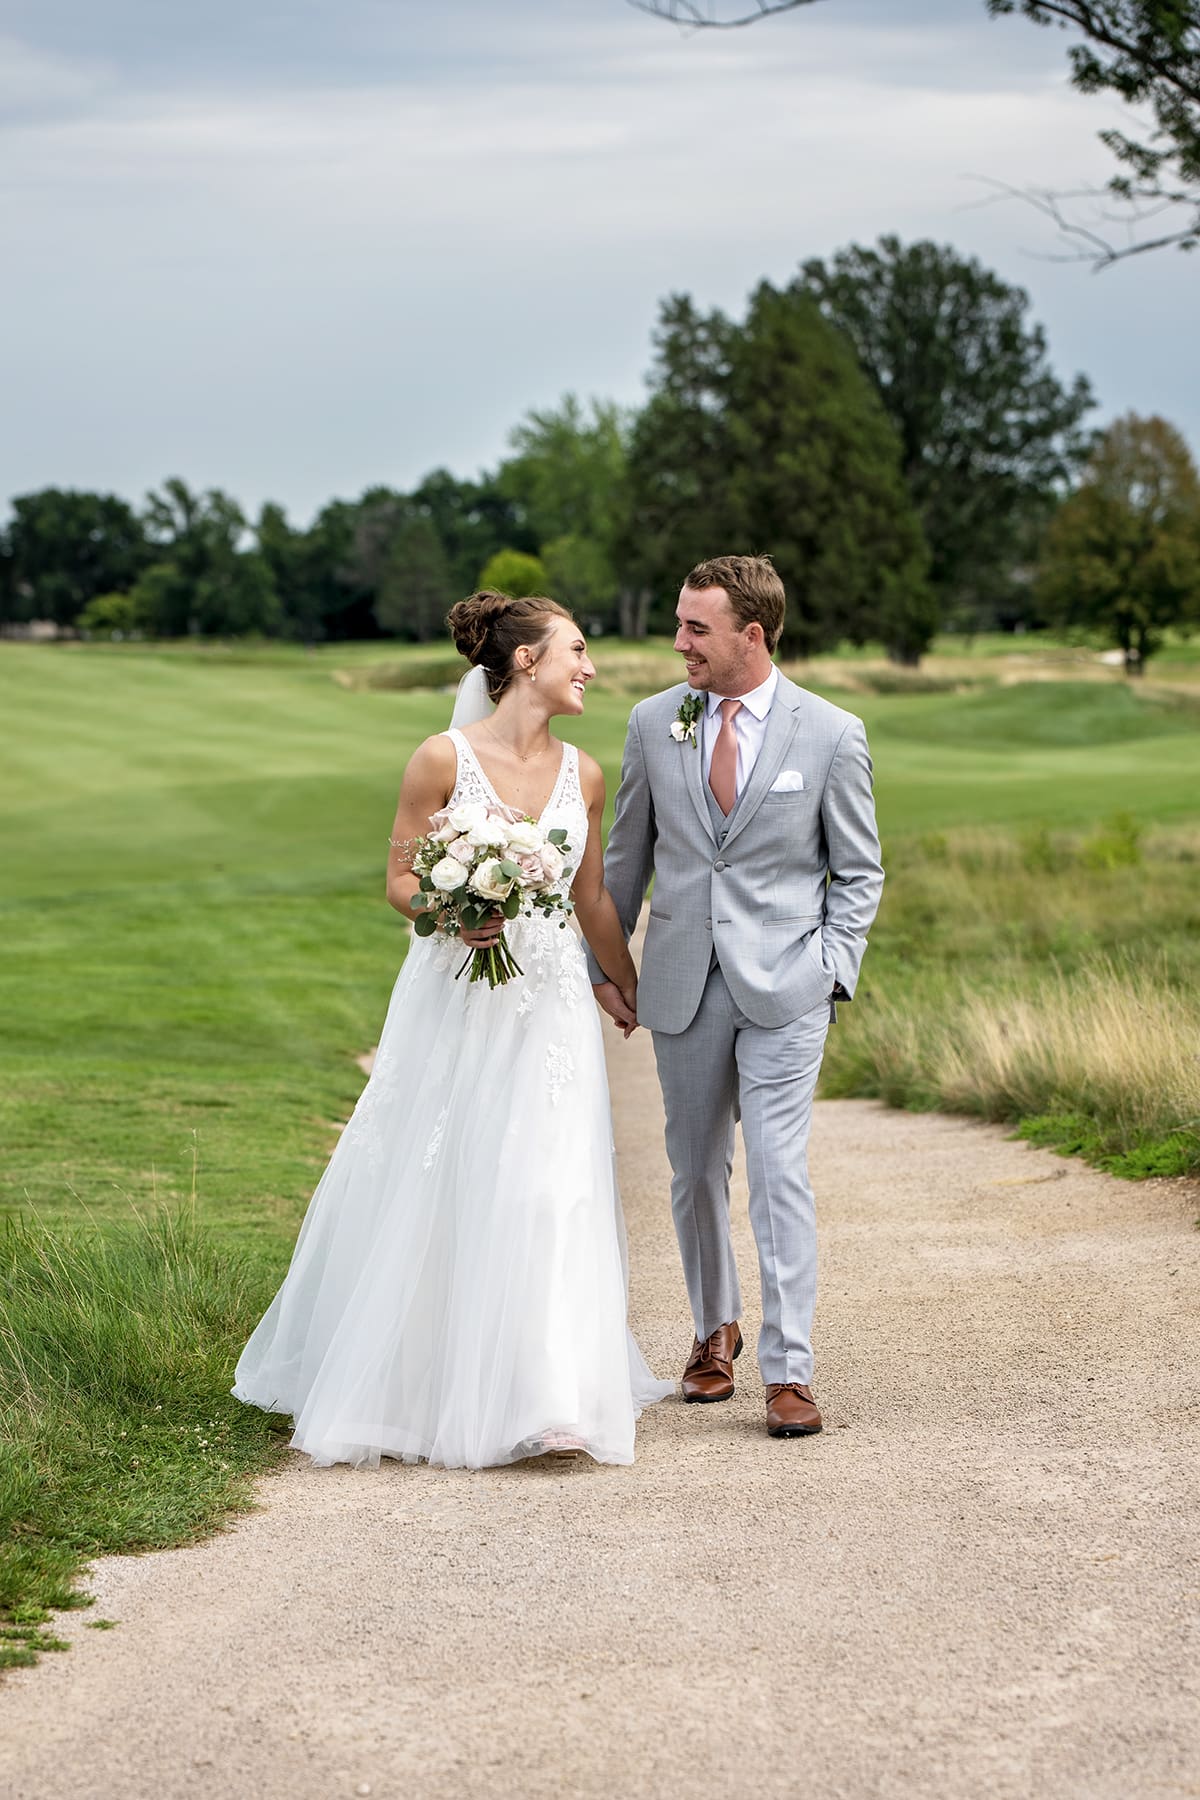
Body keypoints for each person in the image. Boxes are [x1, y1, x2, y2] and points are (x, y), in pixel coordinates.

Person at [234, 590, 672, 1469]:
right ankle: (418, 1379)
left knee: (550, 1185)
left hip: (547, 1009)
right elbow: (400, 880)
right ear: (524, 661)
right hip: (458, 998)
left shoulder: (584, 774)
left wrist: (626, 984)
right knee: (447, 1173)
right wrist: (451, 910)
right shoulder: (442, 759)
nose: (590, 668)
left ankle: (550, 1396)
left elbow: (590, 898)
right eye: (577, 651)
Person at [589, 555, 884, 1439]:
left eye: (696, 628)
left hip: (788, 986)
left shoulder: (831, 733)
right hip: (679, 984)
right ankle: (714, 1333)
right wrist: (607, 968)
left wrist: (832, 966)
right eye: (679, 624)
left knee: (779, 1171)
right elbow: (623, 862)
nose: (679, 642)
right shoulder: (653, 724)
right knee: (693, 1170)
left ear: (752, 635)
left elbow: (859, 870)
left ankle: (790, 1368)